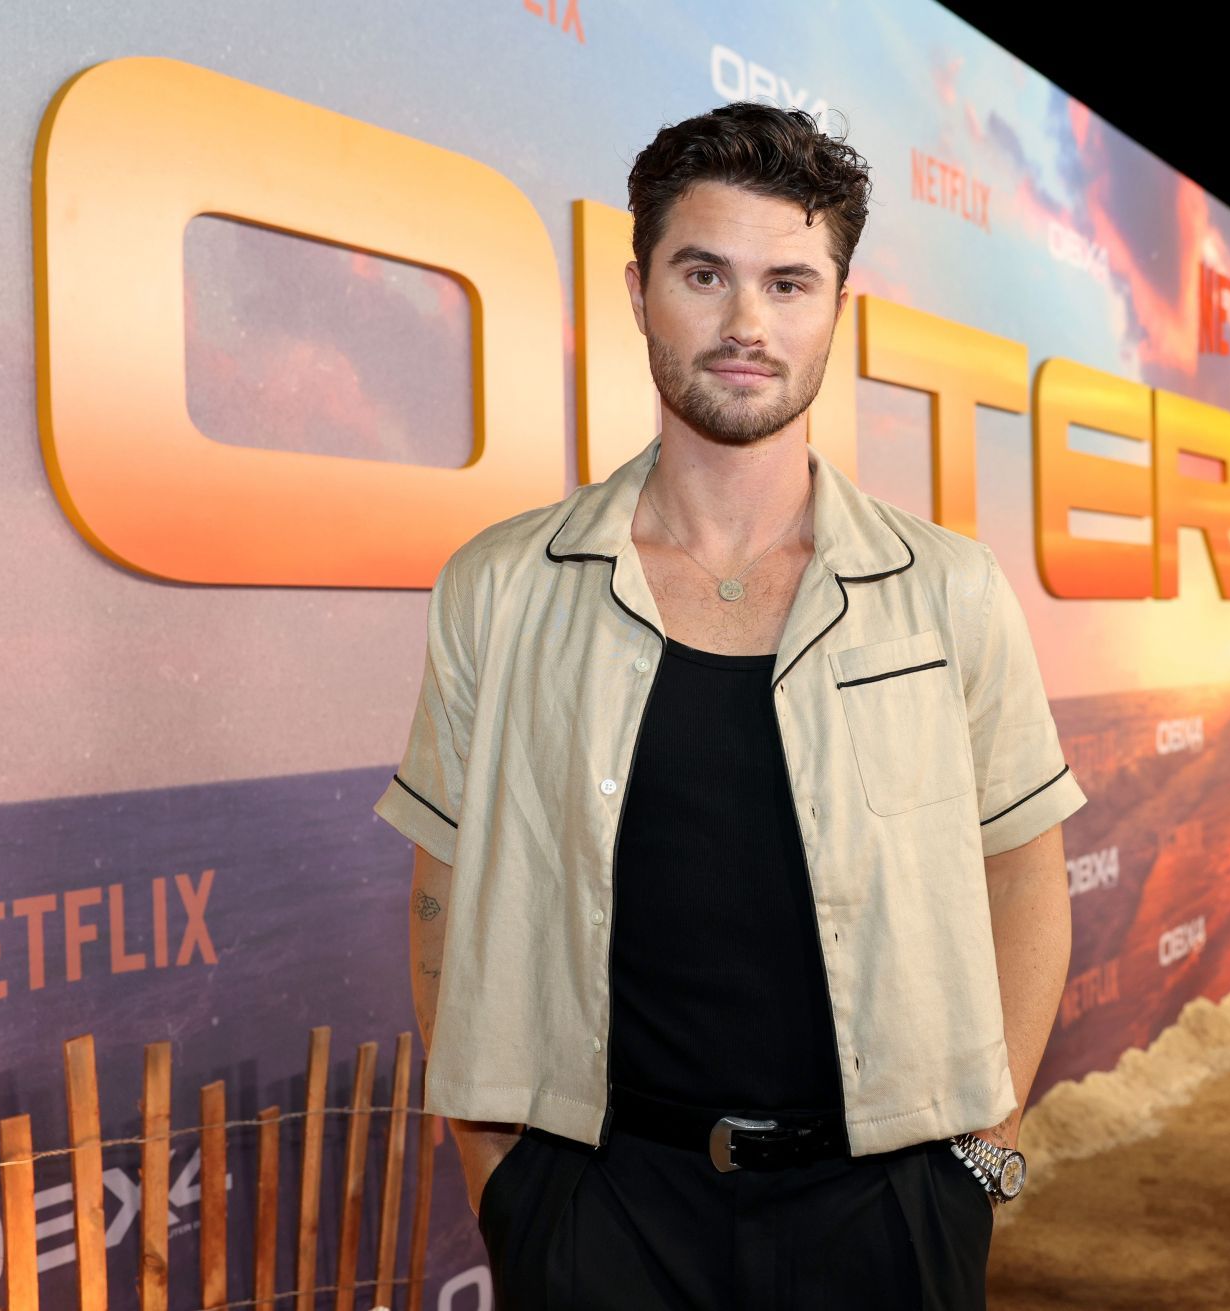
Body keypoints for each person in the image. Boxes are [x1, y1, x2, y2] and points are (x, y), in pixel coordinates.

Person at [373, 103, 1084, 1309]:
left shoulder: (949, 591)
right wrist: (507, 1179)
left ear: (836, 310)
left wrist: (977, 1161)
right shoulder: (500, 586)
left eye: (789, 283)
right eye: (704, 274)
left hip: (890, 1209)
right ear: (639, 290)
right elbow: (444, 882)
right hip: (601, 1211)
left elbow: (1023, 873)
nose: (748, 323)